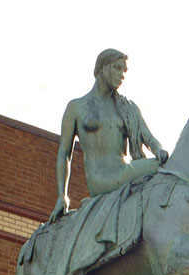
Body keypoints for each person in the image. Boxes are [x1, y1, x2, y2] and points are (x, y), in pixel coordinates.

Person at [51, 49, 170, 221]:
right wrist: (62, 196)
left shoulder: (127, 108)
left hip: (124, 170)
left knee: (166, 166)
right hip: (100, 179)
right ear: (101, 68)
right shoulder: (77, 107)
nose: (122, 75)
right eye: (117, 68)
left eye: (124, 71)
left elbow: (148, 138)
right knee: (167, 168)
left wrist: (159, 149)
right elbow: (64, 154)